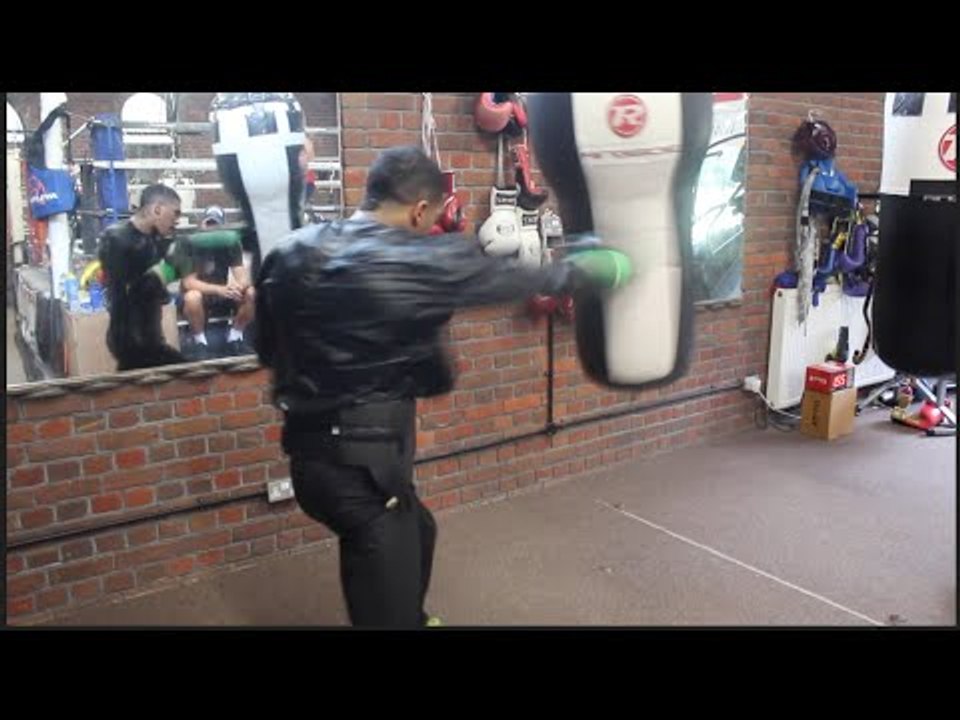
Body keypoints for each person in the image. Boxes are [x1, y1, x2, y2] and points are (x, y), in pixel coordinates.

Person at [254, 146, 623, 628]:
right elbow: (509, 278)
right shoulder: (415, 258)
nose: (429, 229)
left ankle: (411, 613)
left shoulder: (289, 250)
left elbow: (264, 346)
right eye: (429, 221)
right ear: (420, 209)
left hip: (310, 462)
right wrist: (589, 268)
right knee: (385, 579)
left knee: (417, 530)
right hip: (363, 469)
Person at [98, 184, 185, 371]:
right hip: (130, 339)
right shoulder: (116, 238)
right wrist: (166, 272)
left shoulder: (156, 239)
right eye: (175, 213)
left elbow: (161, 294)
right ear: (157, 209)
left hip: (150, 337)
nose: (177, 220)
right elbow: (125, 293)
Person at [175, 205, 255, 359]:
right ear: (202, 224)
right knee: (193, 296)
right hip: (195, 296)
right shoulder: (187, 243)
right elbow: (188, 283)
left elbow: (241, 274)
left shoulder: (230, 242)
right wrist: (220, 289)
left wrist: (239, 286)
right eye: (208, 223)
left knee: (251, 293)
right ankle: (200, 343)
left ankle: (235, 337)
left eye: (215, 224)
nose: (211, 228)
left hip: (221, 293)